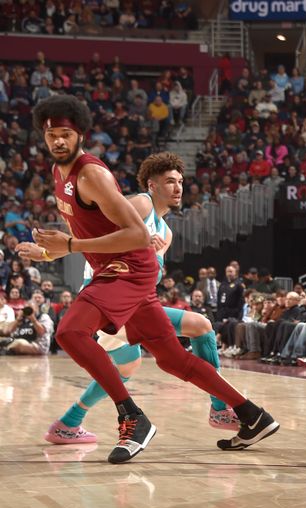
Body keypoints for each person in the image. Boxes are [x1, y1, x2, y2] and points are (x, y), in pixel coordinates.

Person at [21, 95, 279, 464]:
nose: (58, 141)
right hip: (121, 271)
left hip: (127, 268)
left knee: (69, 332)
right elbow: (80, 231)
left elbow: (138, 237)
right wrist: (50, 251)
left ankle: (132, 418)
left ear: (80, 134)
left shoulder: (92, 174)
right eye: (51, 136)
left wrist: (72, 245)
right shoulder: (59, 174)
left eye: (65, 134)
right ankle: (251, 414)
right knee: (172, 358)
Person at [44, 152, 243, 446]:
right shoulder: (140, 203)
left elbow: (151, 275)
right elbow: (109, 246)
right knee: (197, 327)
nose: (177, 188)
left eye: (180, 182)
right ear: (151, 184)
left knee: (131, 364)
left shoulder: (167, 232)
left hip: (133, 301)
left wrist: (155, 255)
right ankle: (219, 408)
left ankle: (67, 424)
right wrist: (140, 246)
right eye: (169, 181)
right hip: (106, 296)